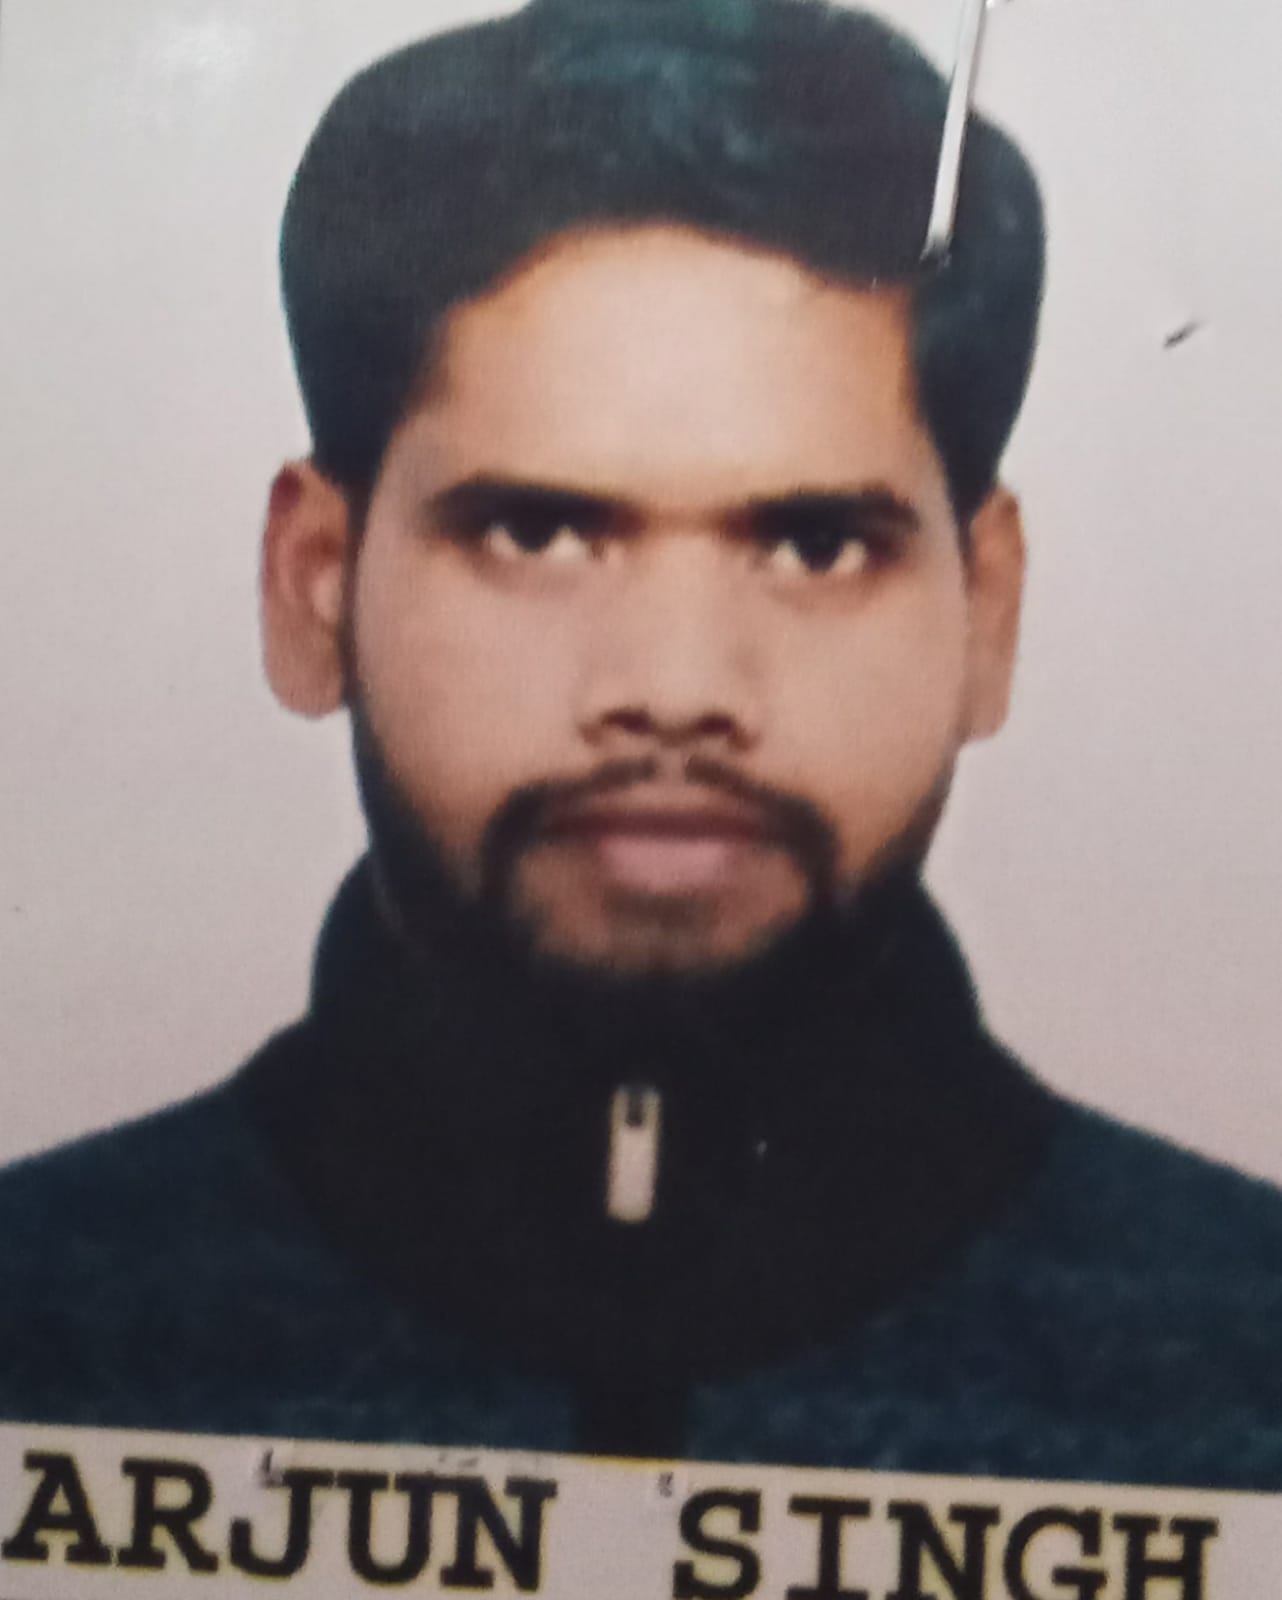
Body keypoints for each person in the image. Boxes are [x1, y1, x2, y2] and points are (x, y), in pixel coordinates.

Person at [3, 0, 1281, 1488]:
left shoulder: (1236, 1345)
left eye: (813, 545)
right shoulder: (46, 1316)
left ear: (984, 611)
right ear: (316, 585)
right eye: (537, 530)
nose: (676, 689)